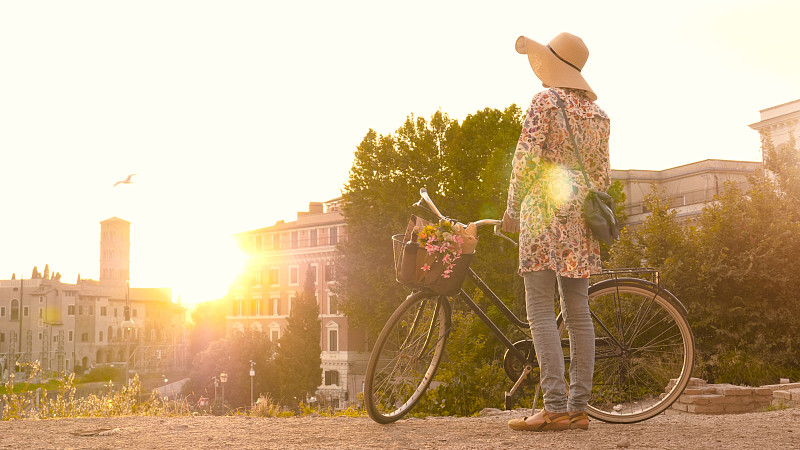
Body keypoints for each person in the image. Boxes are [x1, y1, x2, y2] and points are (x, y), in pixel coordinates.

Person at [502, 32, 611, 432]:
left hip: (544, 210)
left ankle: (554, 408)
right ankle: (579, 408)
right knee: (578, 312)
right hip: (582, 216)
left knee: (541, 310)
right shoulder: (599, 115)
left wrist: (512, 210)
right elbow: (602, 176)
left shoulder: (545, 102)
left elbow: (525, 160)